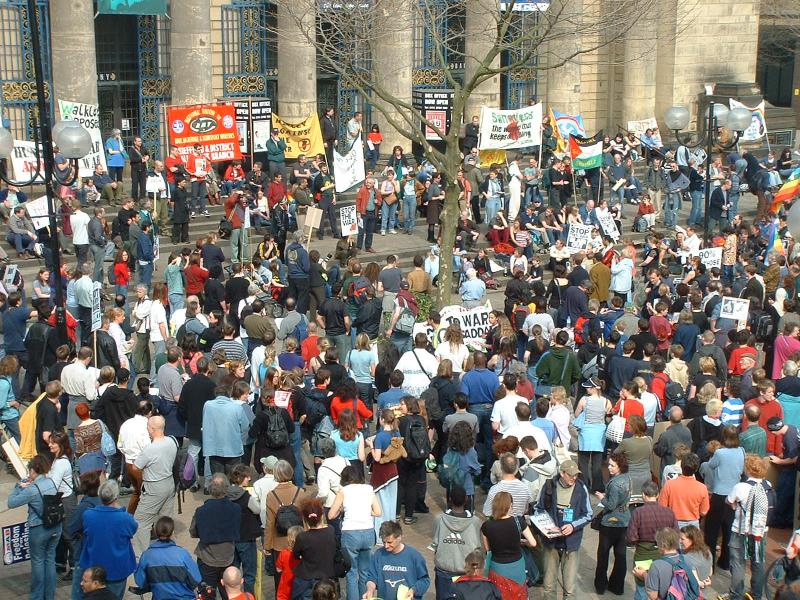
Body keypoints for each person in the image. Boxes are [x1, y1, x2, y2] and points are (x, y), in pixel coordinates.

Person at [535, 459, 593, 599]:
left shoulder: (581, 488)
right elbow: (538, 509)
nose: (574, 478)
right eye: (571, 475)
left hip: (571, 545)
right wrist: (548, 526)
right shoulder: (549, 486)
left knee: (570, 589)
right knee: (548, 587)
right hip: (551, 544)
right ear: (562, 473)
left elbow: (589, 514)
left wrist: (572, 525)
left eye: (576, 475)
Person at [8, 454, 61, 599]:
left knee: (37, 562)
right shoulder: (51, 482)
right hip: (56, 526)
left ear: (32, 470)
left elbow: (11, 502)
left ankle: (37, 596)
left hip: (39, 529)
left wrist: (18, 486)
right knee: (50, 560)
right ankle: (49, 595)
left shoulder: (32, 489)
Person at [327, 466, 381, 600]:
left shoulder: (343, 491)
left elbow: (331, 515)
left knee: (351, 573)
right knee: (365, 572)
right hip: (368, 532)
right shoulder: (369, 489)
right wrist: (366, 512)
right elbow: (378, 512)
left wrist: (341, 509)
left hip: (350, 533)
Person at [78, 480, 138, 597]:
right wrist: (120, 508)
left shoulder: (88, 515)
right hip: (117, 569)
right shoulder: (125, 518)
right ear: (116, 496)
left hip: (94, 568)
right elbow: (133, 529)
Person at [189, 473, 241, 600]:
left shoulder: (201, 511)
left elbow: (193, 531)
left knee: (207, 595)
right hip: (228, 557)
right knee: (229, 593)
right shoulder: (236, 508)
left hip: (207, 558)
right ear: (226, 488)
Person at [131, 416, 178, 554]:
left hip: (154, 487)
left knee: (140, 522)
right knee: (165, 519)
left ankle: (143, 555)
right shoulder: (172, 441)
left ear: (152, 429)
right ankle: (169, 550)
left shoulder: (150, 449)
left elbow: (135, 467)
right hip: (169, 483)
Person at [627, 481, 679, 600]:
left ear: (643, 495)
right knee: (664, 587)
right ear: (657, 495)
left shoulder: (638, 512)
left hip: (643, 555)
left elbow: (631, 538)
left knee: (642, 588)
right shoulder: (669, 512)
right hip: (665, 555)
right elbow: (676, 535)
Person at [430, 485, 483, 600]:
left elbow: (435, 543)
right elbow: (479, 549)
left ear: (449, 500)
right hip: (466, 572)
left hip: (444, 571)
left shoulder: (439, 520)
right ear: (466, 499)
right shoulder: (475, 522)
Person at [134, 515, 201, 600]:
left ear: (155, 532)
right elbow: (196, 579)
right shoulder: (182, 554)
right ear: (172, 532)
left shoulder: (146, 556)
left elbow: (141, 583)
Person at [593, 452, 632, 595]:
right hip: (624, 522)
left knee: (603, 555)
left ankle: (600, 585)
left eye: (612, 465)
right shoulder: (628, 478)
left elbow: (610, 505)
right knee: (621, 556)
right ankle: (617, 586)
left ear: (620, 467)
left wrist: (602, 497)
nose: (609, 467)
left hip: (609, 524)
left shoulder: (615, 484)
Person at [363, 520, 430, 600]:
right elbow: (371, 577)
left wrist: (413, 590)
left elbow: (424, 580)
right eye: (384, 542)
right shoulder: (378, 554)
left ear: (399, 537)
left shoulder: (414, 556)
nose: (386, 546)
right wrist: (370, 590)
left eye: (390, 542)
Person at [645, 528, 701, 600]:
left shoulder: (656, 565)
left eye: (657, 543)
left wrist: (644, 575)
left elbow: (653, 596)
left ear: (662, 545)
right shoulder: (685, 559)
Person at [658, 452, 709, 528]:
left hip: (674, 523)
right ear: (696, 469)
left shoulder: (669, 485)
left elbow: (662, 507)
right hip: (693, 525)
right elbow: (703, 512)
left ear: (681, 466)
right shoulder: (702, 488)